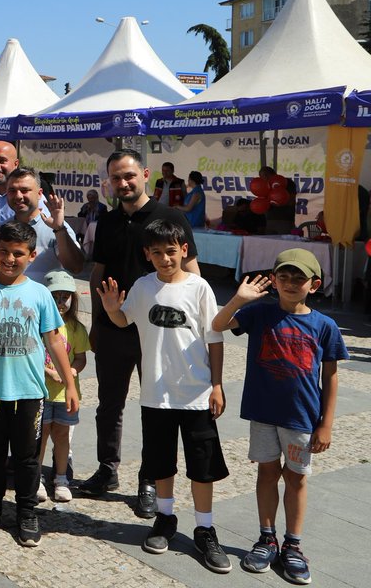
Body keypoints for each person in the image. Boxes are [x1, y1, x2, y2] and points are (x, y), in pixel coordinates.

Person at [97, 218, 230, 573]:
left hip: (197, 393)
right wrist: (111, 309)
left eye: (171, 251)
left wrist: (217, 384)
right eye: (157, 253)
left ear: (184, 250)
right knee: (160, 462)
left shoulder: (200, 288)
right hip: (156, 394)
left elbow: (215, 338)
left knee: (202, 466)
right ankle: (165, 518)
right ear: (147, 254)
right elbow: (124, 321)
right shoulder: (143, 287)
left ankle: (205, 528)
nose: (165, 258)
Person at [211, 251, 348, 584]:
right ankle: (267, 538)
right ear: (273, 280)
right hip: (263, 413)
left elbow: (330, 376)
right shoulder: (259, 313)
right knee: (267, 472)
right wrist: (239, 300)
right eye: (283, 277)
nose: (290, 284)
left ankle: (293, 545)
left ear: (314, 284)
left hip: (301, 417)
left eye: (299, 278)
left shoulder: (325, 326)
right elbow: (217, 325)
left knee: (297, 478)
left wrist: (326, 424)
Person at [81, 148, 199, 519]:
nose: (123, 183)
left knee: (157, 408)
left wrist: (190, 329)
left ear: (145, 175)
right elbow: (98, 274)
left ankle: (150, 479)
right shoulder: (107, 221)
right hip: (113, 328)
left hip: (159, 331)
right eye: (116, 177)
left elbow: (192, 274)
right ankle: (107, 469)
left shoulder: (171, 217)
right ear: (109, 181)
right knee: (108, 405)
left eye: (129, 175)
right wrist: (96, 322)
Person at [0, 221, 79, 547]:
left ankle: (27, 511)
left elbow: (54, 341)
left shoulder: (39, 294)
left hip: (29, 392)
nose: (9, 259)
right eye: (3, 251)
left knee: (27, 457)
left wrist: (70, 384)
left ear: (32, 255)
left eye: (17, 253)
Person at [36, 270, 89, 504]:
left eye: (64, 297)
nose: (60, 302)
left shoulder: (76, 328)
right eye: (54, 296)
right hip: (41, 392)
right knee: (40, 436)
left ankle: (60, 478)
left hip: (65, 395)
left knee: (62, 436)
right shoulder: (37, 326)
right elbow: (32, 356)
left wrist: (71, 372)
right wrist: (49, 372)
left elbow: (81, 358)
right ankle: (36, 478)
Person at [5, 167, 84, 281]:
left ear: (39, 194)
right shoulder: (2, 228)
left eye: (24, 190)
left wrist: (59, 230)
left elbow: (75, 268)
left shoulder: (57, 228)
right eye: (12, 190)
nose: (18, 196)